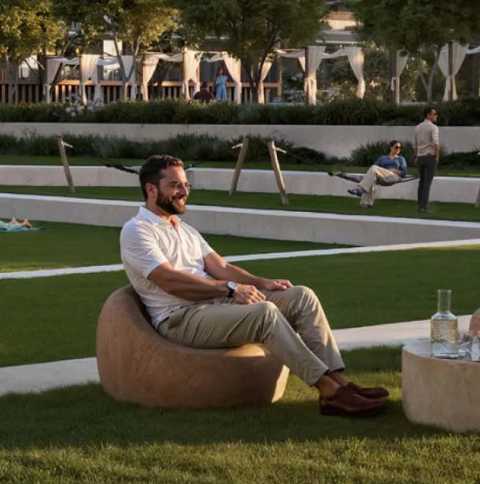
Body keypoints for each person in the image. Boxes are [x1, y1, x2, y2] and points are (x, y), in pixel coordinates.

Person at [121, 154, 387, 419]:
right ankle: (330, 392)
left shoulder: (186, 229)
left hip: (215, 306)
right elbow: (169, 280)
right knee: (265, 313)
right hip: (181, 318)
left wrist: (261, 282)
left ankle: (341, 382)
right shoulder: (138, 230)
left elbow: (222, 268)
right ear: (151, 189)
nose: (184, 192)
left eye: (186, 185)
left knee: (301, 296)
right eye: (175, 185)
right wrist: (228, 289)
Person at [413, 108, 441, 213]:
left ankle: (420, 204)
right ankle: (423, 206)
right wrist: (437, 156)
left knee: (422, 181)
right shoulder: (433, 128)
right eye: (434, 114)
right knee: (427, 182)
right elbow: (435, 143)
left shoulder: (417, 128)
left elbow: (415, 145)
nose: (436, 116)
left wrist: (416, 157)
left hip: (420, 157)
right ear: (428, 115)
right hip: (429, 156)